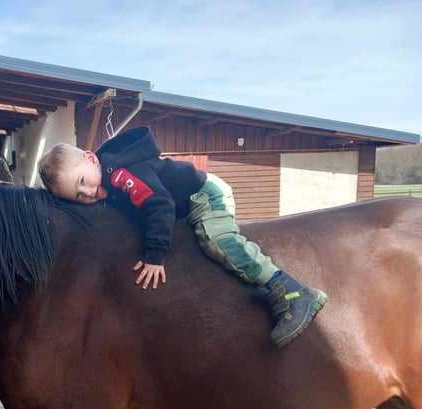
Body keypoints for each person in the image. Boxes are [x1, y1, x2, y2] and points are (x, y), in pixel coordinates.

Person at [37, 125, 326, 349]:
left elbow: (160, 206)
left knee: (217, 240)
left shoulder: (120, 175)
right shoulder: (108, 182)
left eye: (83, 182)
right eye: (78, 196)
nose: (87, 193)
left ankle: (291, 290)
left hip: (203, 194)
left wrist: (154, 256)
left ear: (90, 158)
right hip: (183, 204)